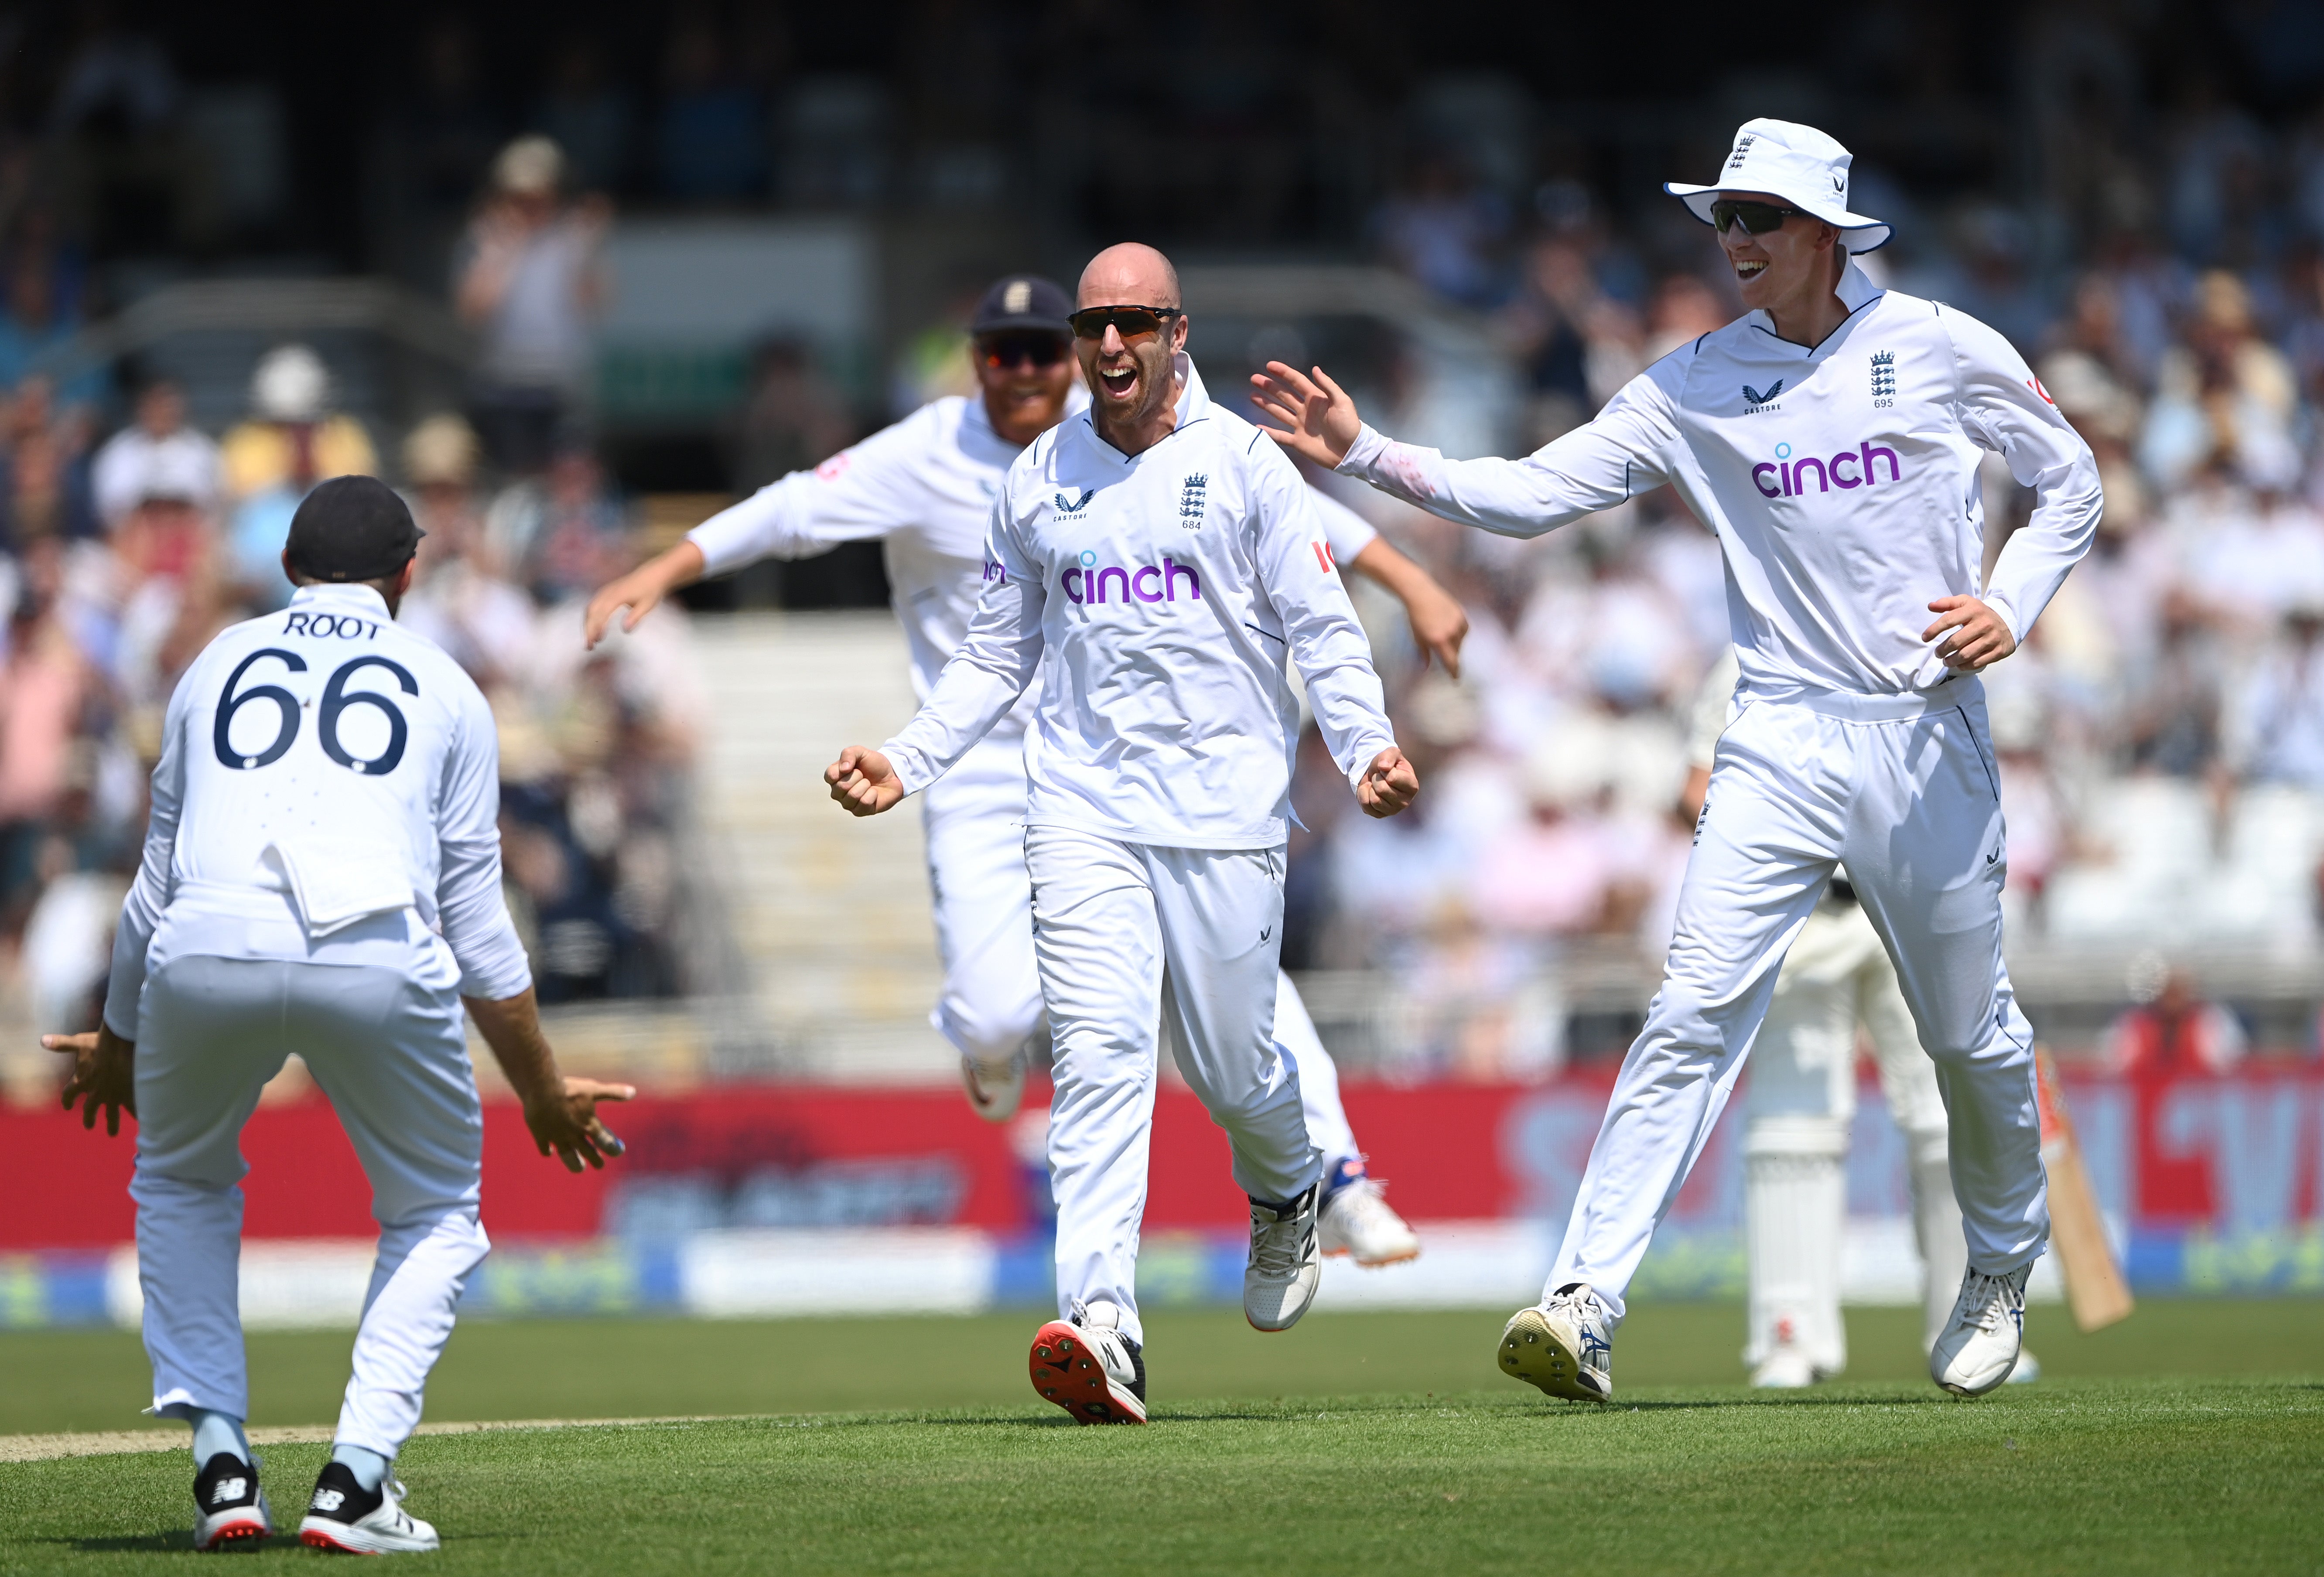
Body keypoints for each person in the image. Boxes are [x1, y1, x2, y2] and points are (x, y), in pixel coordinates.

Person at [1255, 119, 2102, 1401]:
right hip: (1777, 731)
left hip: (1925, 730)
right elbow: (1530, 492)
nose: (1738, 242)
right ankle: (1584, 1294)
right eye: (1725, 221)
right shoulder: (1691, 380)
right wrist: (1368, 452)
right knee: (1693, 1008)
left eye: (1761, 219)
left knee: (1971, 1036)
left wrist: (2012, 601)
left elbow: (2072, 477)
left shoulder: (1939, 344)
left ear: (1825, 231)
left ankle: (1998, 1264)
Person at [586, 273, 1464, 1268]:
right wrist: (663, 568)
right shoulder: (935, 452)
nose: (1029, 371)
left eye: (1046, 350)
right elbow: (791, 511)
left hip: (1128, 765)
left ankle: (1330, 1182)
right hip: (979, 769)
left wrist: (1413, 579)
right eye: (1004, 353)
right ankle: (1072, 1197)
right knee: (1006, 1012)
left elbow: (1297, 522)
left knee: (1232, 1010)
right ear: (976, 363)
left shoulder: (1163, 437)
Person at [823, 244, 1418, 1423]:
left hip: (1226, 813)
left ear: (1178, 331)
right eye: (1096, 323)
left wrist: (1365, 748)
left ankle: (1291, 1187)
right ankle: (1106, 1324)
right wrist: (909, 757)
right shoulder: (1039, 475)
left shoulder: (1246, 466)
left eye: (1135, 323)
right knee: (1098, 1063)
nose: (1110, 346)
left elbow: (1322, 624)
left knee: (1238, 1069)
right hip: (1082, 810)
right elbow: (998, 650)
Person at [44, 476, 630, 1551]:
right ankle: (356, 1480)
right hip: (373, 942)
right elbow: (476, 924)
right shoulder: (448, 685)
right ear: (410, 573)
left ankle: (223, 1461)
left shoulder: (210, 664)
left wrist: (119, 1039)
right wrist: (542, 1085)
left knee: (180, 1178)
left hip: (205, 941)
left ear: (286, 569)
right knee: (437, 1207)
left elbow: (152, 885)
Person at [1681, 649, 2034, 1389]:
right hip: (1809, 916)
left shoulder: (1929, 648)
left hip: (1910, 902)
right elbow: (1697, 788)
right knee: (1792, 1127)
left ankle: (1977, 1315)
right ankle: (1789, 1334)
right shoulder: (1757, 646)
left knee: (1947, 1114)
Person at [454, 135, 608, 474]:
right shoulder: (485, 239)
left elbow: (595, 305)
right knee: (514, 484)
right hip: (504, 387)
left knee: (566, 483)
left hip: (560, 385)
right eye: (519, 198)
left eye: (538, 197)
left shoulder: (572, 239)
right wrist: (503, 254)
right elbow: (472, 312)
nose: (529, 207)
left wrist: (589, 252)